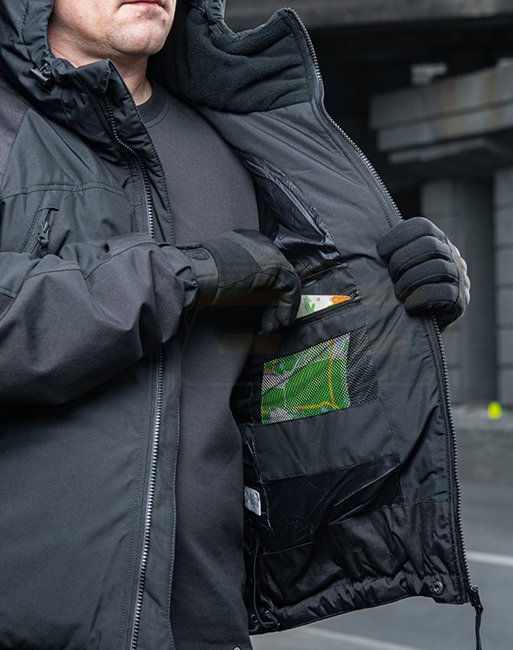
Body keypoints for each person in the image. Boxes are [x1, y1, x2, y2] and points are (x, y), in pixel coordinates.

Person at [0, 1, 478, 649]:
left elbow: (268, 381)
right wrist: (189, 275)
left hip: (205, 619)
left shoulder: (238, 146)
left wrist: (393, 314)